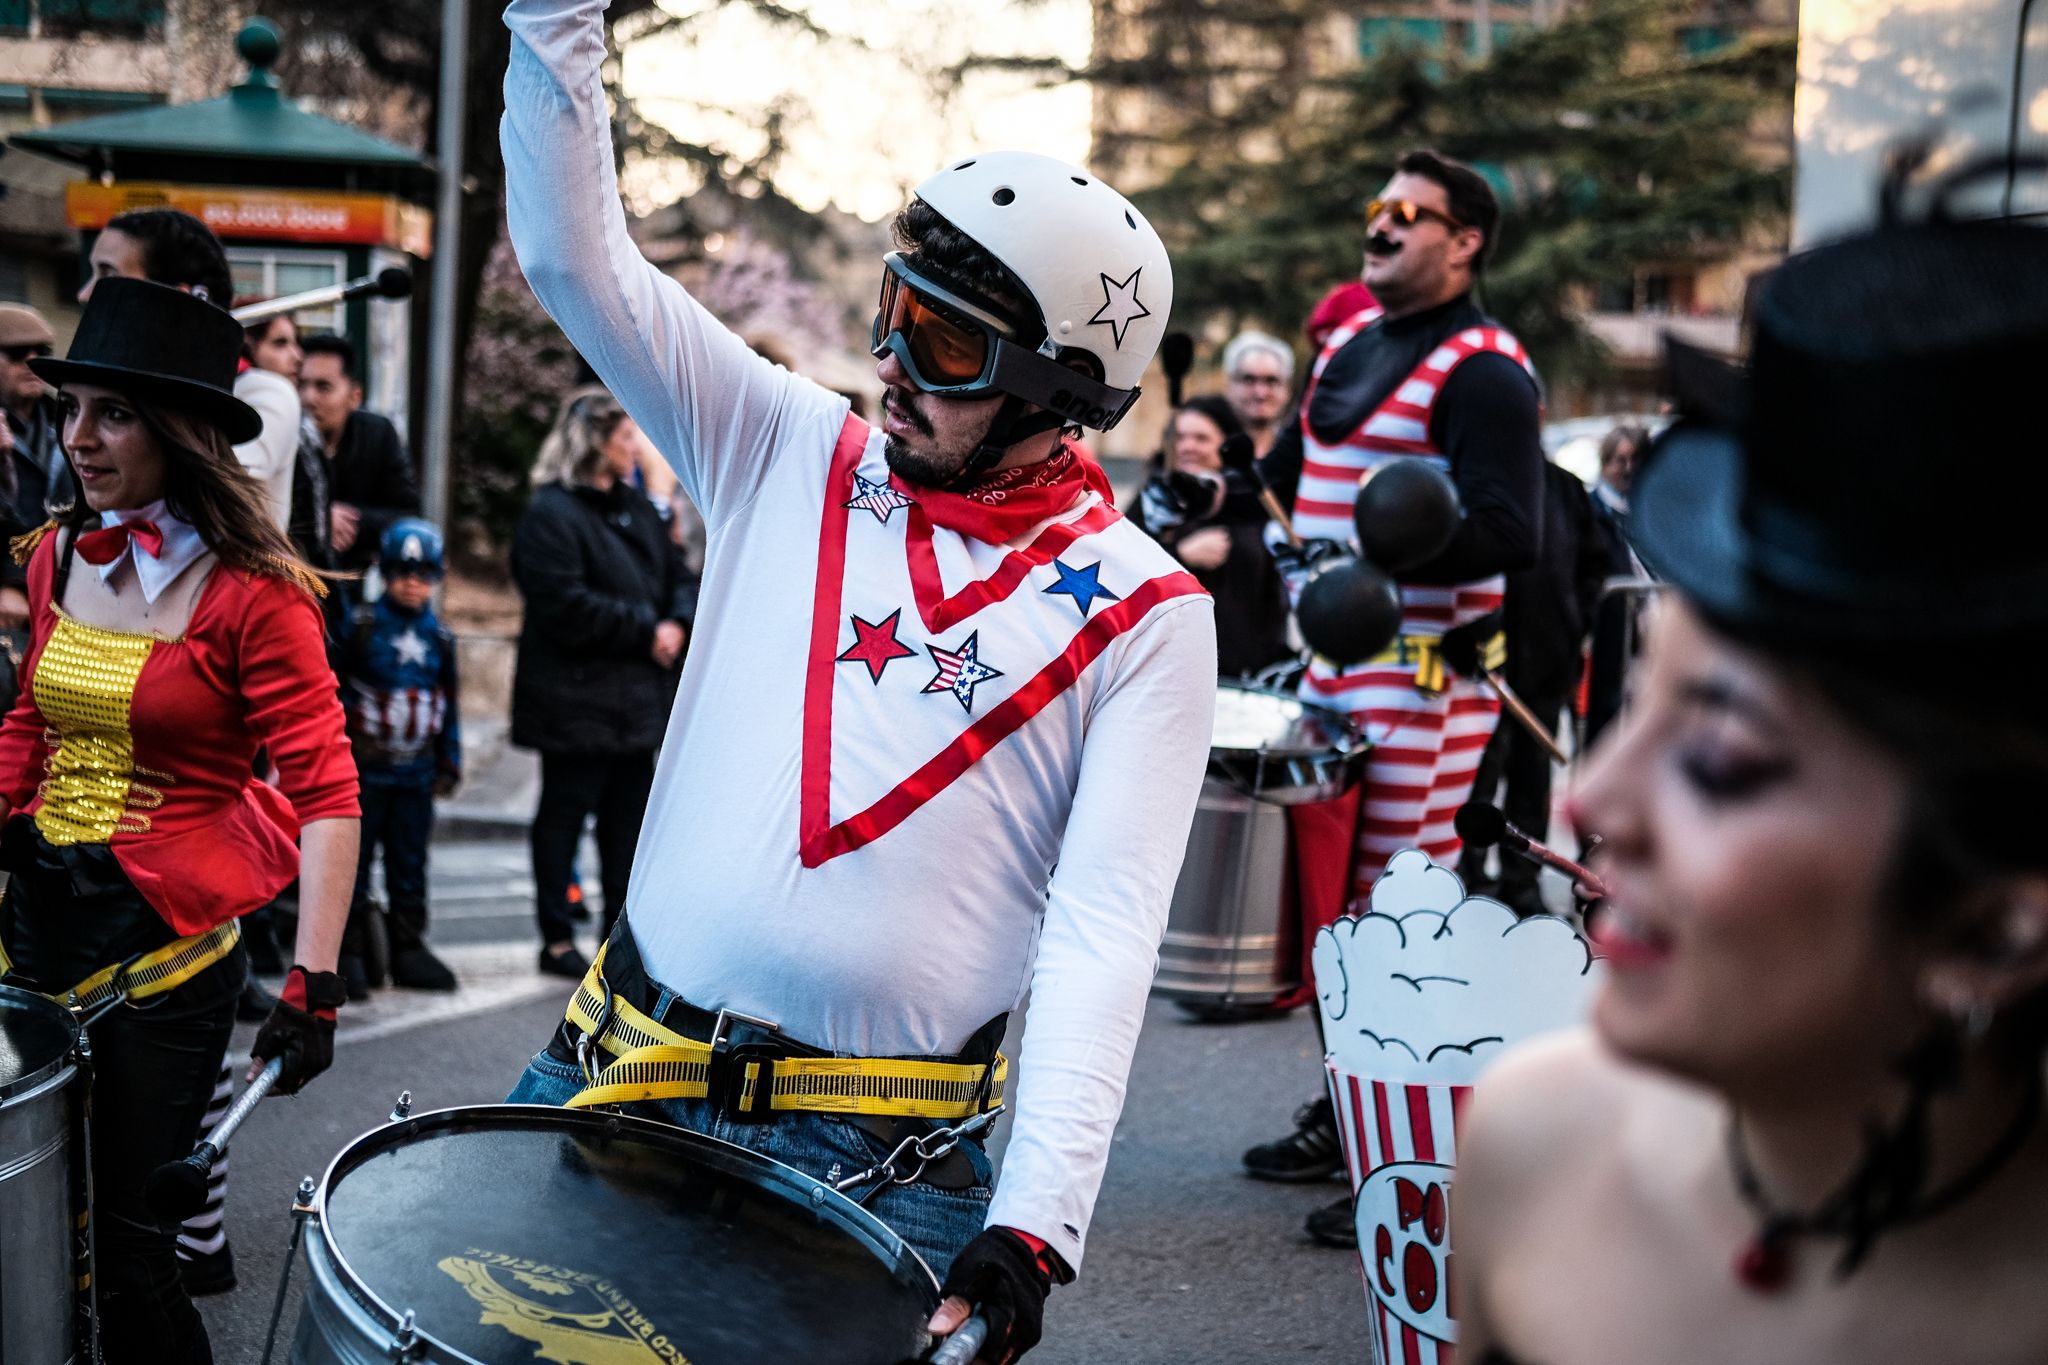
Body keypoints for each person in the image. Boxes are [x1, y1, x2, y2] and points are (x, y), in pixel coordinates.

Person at [501, 3, 1216, 1357]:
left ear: (1058, 388)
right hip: (619, 1075)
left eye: (943, 347)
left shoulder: (1151, 613)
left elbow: (1103, 932)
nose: (888, 363)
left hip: (871, 1157)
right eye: (896, 311)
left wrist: (1035, 1222)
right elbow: (573, 260)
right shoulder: (787, 446)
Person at [1452, 202, 2048, 1365]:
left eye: (1719, 761)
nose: (1590, 801)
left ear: (1995, 925)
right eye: (1639, 707)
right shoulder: (1531, 1144)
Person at [0, 277, 358, 1365]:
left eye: (112, 413)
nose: (79, 439)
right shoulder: (60, 554)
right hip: (43, 922)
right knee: (24, 1233)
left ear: (181, 431)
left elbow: (328, 795)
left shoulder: (258, 594)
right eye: (72, 411)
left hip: (165, 957)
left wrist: (312, 986)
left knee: (129, 1253)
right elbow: (30, 724)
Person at [1249, 148, 1545, 1247]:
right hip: (1331, 675)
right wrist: (1276, 551)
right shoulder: (1347, 344)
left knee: (1399, 927)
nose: (1381, 227)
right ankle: (1345, 1119)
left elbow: (1511, 532)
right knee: (1338, 916)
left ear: (1464, 242)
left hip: (1425, 690)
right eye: (1376, 208)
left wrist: (1383, 567)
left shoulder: (1484, 371)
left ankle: (1421, 1167)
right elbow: (1284, 476)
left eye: (1409, 215)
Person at [510, 386, 694, 977]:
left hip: (634, 707)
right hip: (573, 704)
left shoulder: (636, 509)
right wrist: (648, 630)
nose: (635, 448)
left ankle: (618, 940)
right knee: (562, 821)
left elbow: (680, 576)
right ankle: (556, 937)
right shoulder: (550, 514)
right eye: (623, 437)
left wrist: (678, 622)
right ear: (594, 443)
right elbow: (563, 603)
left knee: (627, 832)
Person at [1457, 457, 1605, 917]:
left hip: (1545, 662)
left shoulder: (1565, 489)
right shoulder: (1472, 476)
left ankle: (1522, 882)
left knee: (1531, 776)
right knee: (1477, 776)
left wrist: (1574, 622)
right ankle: (1468, 879)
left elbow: (1595, 565)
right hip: (1482, 668)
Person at [337, 517, 462, 996]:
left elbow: (448, 702)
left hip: (416, 772)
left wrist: (449, 761)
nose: (412, 584)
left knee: (410, 863)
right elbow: (337, 689)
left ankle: (408, 947)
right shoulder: (362, 625)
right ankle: (348, 951)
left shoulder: (440, 638)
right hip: (365, 772)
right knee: (354, 861)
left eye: (423, 574)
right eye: (402, 573)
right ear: (383, 572)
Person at [1133, 394, 1292, 677]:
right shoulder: (1152, 501)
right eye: (1180, 437)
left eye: (1201, 438)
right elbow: (1124, 573)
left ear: (1227, 446)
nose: (1187, 447)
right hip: (1166, 671)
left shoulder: (1258, 502)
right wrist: (1180, 556)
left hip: (1246, 677)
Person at [297, 333, 421, 579]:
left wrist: (354, 520)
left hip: (356, 577)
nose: (308, 398)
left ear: (354, 396)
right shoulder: (284, 438)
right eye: (301, 385)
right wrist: (319, 516)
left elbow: (408, 512)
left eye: (323, 387)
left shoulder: (378, 435)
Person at [0, 304, 65, 639]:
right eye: (16, 353)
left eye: (41, 353)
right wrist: (10, 581)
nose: (31, 362)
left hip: (64, 594)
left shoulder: (70, 419)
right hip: (9, 608)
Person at [1583, 422, 1647, 750]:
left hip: (1646, 627)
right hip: (1607, 628)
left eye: (1635, 460)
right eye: (1619, 460)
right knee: (1604, 714)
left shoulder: (1646, 513)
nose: (1627, 469)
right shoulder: (1590, 510)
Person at [235, 311, 307, 532]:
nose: (297, 356)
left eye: (296, 342)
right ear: (248, 344)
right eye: (280, 343)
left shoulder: (277, 396)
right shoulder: (267, 392)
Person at [1221, 329, 1296, 459]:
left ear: (1287, 389)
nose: (1260, 393)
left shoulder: (1300, 453)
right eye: (1249, 380)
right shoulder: (1207, 449)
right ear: (1229, 386)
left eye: (1271, 381)